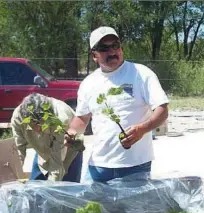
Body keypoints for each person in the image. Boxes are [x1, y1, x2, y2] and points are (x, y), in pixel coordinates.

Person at [65, 26, 169, 183]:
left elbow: (162, 110)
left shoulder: (141, 74)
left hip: (135, 166)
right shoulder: (88, 83)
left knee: (133, 208)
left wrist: (142, 129)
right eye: (104, 48)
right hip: (98, 166)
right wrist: (71, 133)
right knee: (92, 207)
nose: (112, 51)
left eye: (115, 45)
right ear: (94, 55)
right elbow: (81, 118)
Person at [11, 93, 85, 182]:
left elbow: (57, 164)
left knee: (67, 191)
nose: (38, 129)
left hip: (68, 152)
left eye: (41, 125)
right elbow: (19, 148)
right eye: (33, 124)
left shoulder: (61, 118)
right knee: (33, 188)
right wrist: (15, 178)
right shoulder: (18, 118)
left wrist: (51, 188)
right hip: (42, 152)